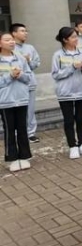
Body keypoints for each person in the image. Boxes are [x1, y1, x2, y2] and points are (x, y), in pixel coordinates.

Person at [51, 27, 82, 159]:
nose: (76, 39)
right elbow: (55, 74)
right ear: (65, 40)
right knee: (69, 120)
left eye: (77, 36)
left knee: (81, 119)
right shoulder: (58, 55)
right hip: (65, 93)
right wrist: (72, 67)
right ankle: (72, 146)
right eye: (73, 37)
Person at [0, 32, 32, 172]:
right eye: (7, 40)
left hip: (21, 99)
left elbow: (29, 78)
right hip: (6, 101)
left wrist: (21, 75)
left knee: (22, 128)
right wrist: (10, 76)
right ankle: (12, 158)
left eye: (12, 40)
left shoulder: (20, 59)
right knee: (9, 130)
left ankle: (24, 156)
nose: (11, 42)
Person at [10, 24, 40, 143]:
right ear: (14, 33)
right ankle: (18, 133)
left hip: (29, 82)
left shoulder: (30, 48)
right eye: (22, 31)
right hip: (15, 84)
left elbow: (36, 64)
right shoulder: (10, 48)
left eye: (26, 31)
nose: (25, 33)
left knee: (30, 110)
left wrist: (29, 61)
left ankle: (31, 133)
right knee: (17, 109)